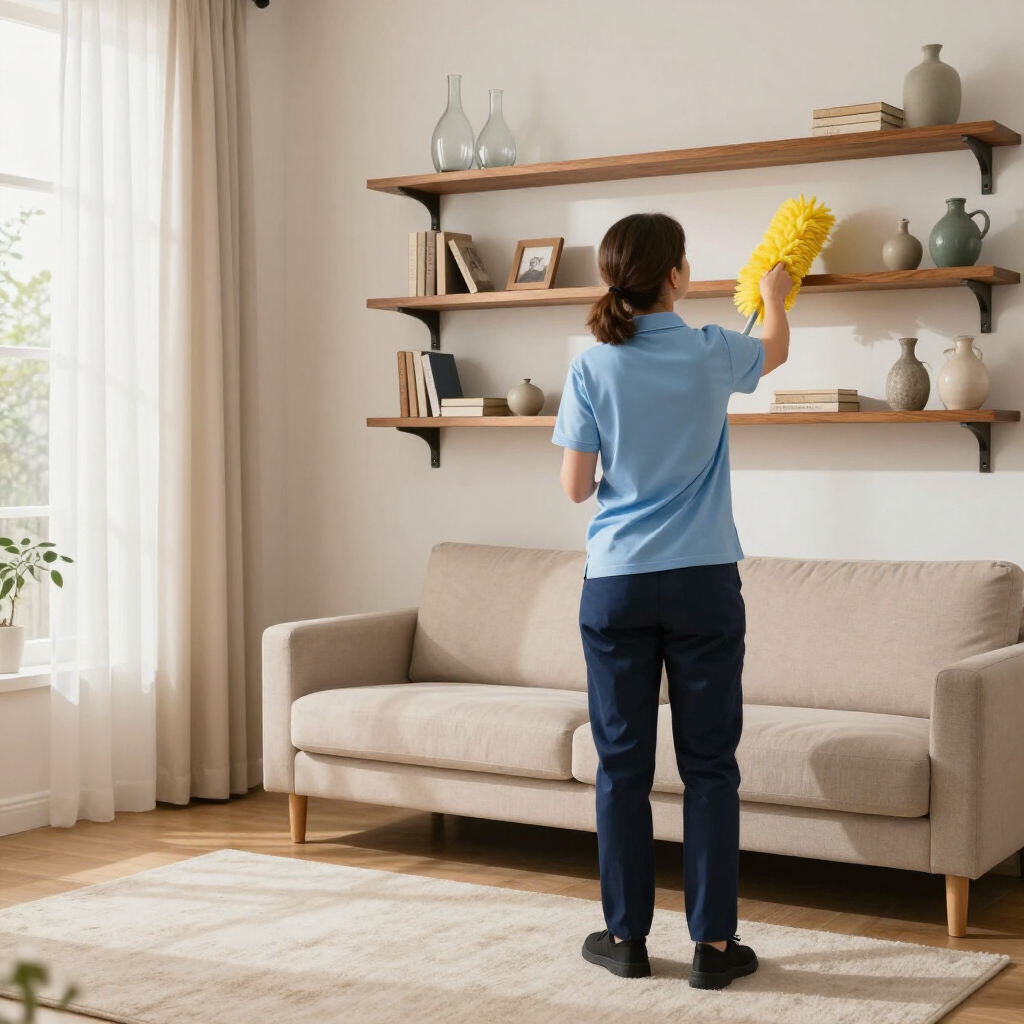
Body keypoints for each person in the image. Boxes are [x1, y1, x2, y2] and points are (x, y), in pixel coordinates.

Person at [551, 212, 791, 990]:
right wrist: (775, 294)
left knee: (622, 768)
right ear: (677, 275)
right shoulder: (713, 350)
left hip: (618, 583)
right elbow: (777, 350)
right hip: (703, 583)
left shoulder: (593, 367)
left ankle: (624, 938)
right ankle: (714, 950)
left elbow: (576, 487)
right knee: (710, 766)